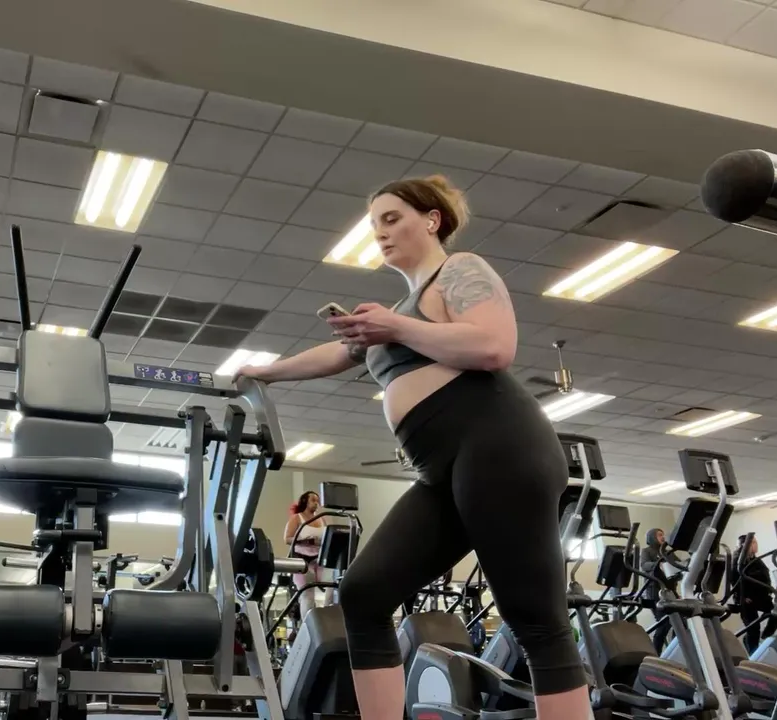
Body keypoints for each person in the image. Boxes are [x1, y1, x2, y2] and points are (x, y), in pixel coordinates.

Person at [235, 175, 590, 720]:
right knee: (364, 593)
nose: (379, 232)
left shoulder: (460, 270)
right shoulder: (396, 312)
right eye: (374, 224)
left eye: (391, 218)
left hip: (499, 446)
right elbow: (337, 354)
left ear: (431, 219)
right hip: (440, 469)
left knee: (535, 619)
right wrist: (266, 372)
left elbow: (495, 346)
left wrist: (396, 325)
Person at [284, 491, 334, 620]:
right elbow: (287, 538)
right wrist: (306, 540)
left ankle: (327, 615)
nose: (316, 503)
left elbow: (327, 538)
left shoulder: (322, 519)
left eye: (317, 501)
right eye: (313, 500)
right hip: (302, 559)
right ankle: (307, 624)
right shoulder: (297, 518)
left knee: (333, 585)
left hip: (319, 559)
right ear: (305, 501)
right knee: (308, 595)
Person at [733, 534, 777, 654]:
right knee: (753, 628)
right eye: (754, 542)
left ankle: (765, 635)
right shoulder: (738, 561)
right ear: (745, 545)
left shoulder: (755, 560)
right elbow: (734, 579)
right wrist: (742, 597)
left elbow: (764, 575)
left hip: (761, 597)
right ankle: (753, 654)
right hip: (746, 599)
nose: (756, 545)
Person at [639, 527, 679, 653]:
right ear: (652, 537)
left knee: (681, 623)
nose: (663, 537)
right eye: (659, 535)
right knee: (663, 624)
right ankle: (656, 653)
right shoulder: (647, 551)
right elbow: (644, 565)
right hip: (655, 591)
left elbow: (678, 565)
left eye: (663, 534)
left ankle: (675, 651)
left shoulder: (667, 552)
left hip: (670, 591)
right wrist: (658, 564)